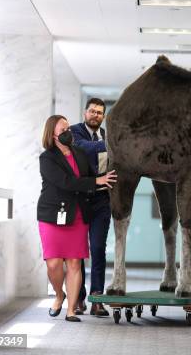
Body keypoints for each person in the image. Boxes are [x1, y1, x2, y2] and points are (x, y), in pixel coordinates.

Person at [37, 115, 117, 322]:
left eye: (68, 128)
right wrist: (95, 180)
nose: (68, 133)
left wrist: (104, 180)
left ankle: (71, 309)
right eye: (63, 131)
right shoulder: (47, 158)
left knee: (74, 262)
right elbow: (67, 182)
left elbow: (91, 177)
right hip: (52, 215)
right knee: (54, 264)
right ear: (53, 136)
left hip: (78, 215)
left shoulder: (80, 153)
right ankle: (59, 294)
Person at [70, 98, 112, 316]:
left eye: (100, 112)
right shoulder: (74, 132)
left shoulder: (106, 135)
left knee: (97, 249)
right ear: (85, 112)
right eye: (92, 111)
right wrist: (113, 144)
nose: (96, 115)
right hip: (79, 199)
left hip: (102, 201)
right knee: (78, 251)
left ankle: (97, 299)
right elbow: (84, 149)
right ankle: (78, 298)